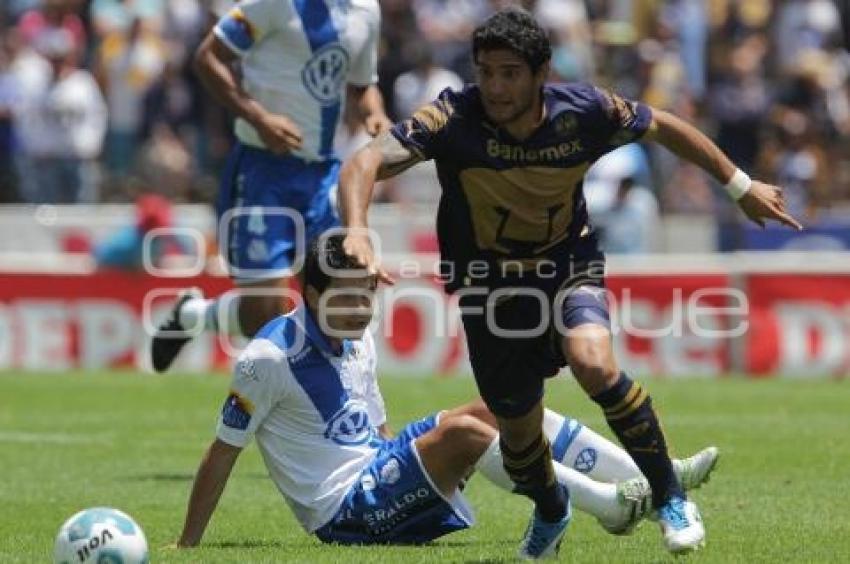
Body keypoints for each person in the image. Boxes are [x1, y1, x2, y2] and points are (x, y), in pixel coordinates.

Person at [337, 8, 802, 558]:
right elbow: (364, 162)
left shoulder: (585, 111)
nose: (495, 86)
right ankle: (552, 510)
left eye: (509, 73)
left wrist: (739, 185)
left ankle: (671, 498)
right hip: (488, 287)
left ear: (541, 74)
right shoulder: (452, 118)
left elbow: (664, 126)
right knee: (520, 442)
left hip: (567, 266)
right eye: (486, 72)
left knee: (594, 362)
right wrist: (358, 229)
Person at [175, 235, 719, 552]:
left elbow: (375, 429)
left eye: (367, 296)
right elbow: (221, 453)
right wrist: (188, 547)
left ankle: (653, 473)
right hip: (343, 514)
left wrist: (417, 465)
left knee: (501, 409)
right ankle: (607, 505)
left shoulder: (357, 334)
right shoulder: (267, 359)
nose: (362, 310)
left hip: (377, 474)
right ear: (310, 294)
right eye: (347, 298)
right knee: (464, 432)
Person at [151, 0, 392, 372]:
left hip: (322, 176)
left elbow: (363, 84)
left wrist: (375, 113)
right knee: (265, 317)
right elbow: (208, 58)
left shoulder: (365, 9)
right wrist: (258, 117)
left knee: (333, 301)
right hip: (263, 171)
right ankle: (193, 315)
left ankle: (333, 419)